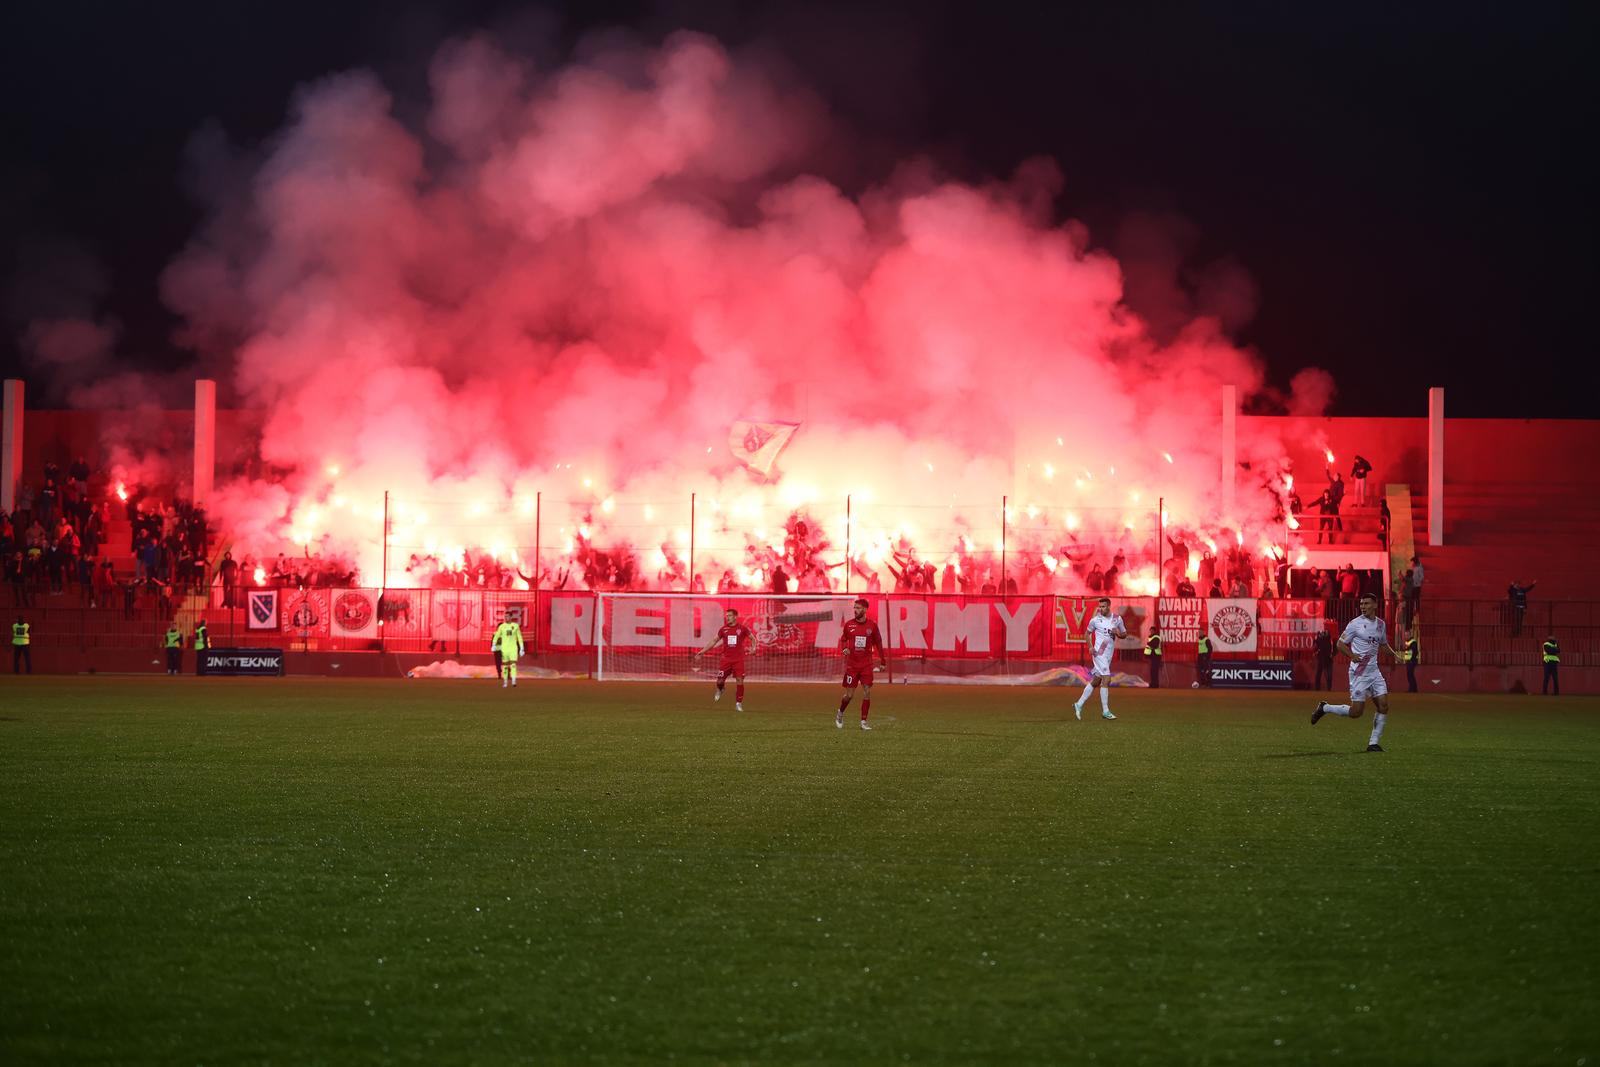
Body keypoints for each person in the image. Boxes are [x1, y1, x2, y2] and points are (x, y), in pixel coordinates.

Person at [1311, 592, 1399, 752]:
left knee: (1384, 705)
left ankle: (1373, 743)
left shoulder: (1381, 624)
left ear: (1375, 605)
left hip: (1374, 671)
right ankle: (1325, 708)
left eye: (1366, 603)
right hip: (1359, 672)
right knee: (1356, 712)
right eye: (1361, 604)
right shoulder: (1354, 624)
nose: (1363, 606)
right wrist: (1352, 656)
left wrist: (1394, 657)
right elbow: (1340, 644)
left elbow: (1383, 644)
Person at [835, 598, 886, 730]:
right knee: (849, 695)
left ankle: (863, 722)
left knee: (867, 691)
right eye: (855, 608)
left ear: (864, 609)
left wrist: (883, 660)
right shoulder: (849, 625)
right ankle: (840, 713)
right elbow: (844, 639)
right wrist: (844, 648)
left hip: (866, 665)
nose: (855, 610)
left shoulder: (872, 626)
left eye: (858, 608)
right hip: (852, 665)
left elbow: (879, 643)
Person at [1073, 596, 1126, 720]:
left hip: (1108, 655)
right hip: (1098, 654)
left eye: (1103, 606)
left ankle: (1078, 704)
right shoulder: (1095, 620)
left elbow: (1124, 634)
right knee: (1107, 679)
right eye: (1100, 606)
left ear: (1108, 606)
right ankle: (1106, 711)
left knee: (1096, 680)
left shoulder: (1117, 619)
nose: (1101, 609)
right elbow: (1087, 633)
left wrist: (1117, 633)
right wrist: (1090, 647)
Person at [695, 607, 756, 711]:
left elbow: (753, 638)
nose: (727, 618)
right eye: (726, 616)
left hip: (738, 660)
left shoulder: (742, 628)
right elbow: (713, 641)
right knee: (719, 681)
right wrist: (702, 651)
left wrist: (754, 648)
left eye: (730, 616)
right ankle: (720, 689)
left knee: (739, 680)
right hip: (726, 660)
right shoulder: (723, 629)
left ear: (735, 617)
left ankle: (738, 703)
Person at [492, 609, 525, 688]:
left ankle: (514, 680)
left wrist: (522, 648)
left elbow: (519, 637)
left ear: (511, 617)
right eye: (505, 616)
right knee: (505, 666)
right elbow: (496, 636)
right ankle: (505, 682)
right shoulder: (502, 627)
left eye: (507, 616)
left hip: (513, 648)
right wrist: (493, 645)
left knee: (513, 665)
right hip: (504, 649)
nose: (505, 618)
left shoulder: (515, 626)